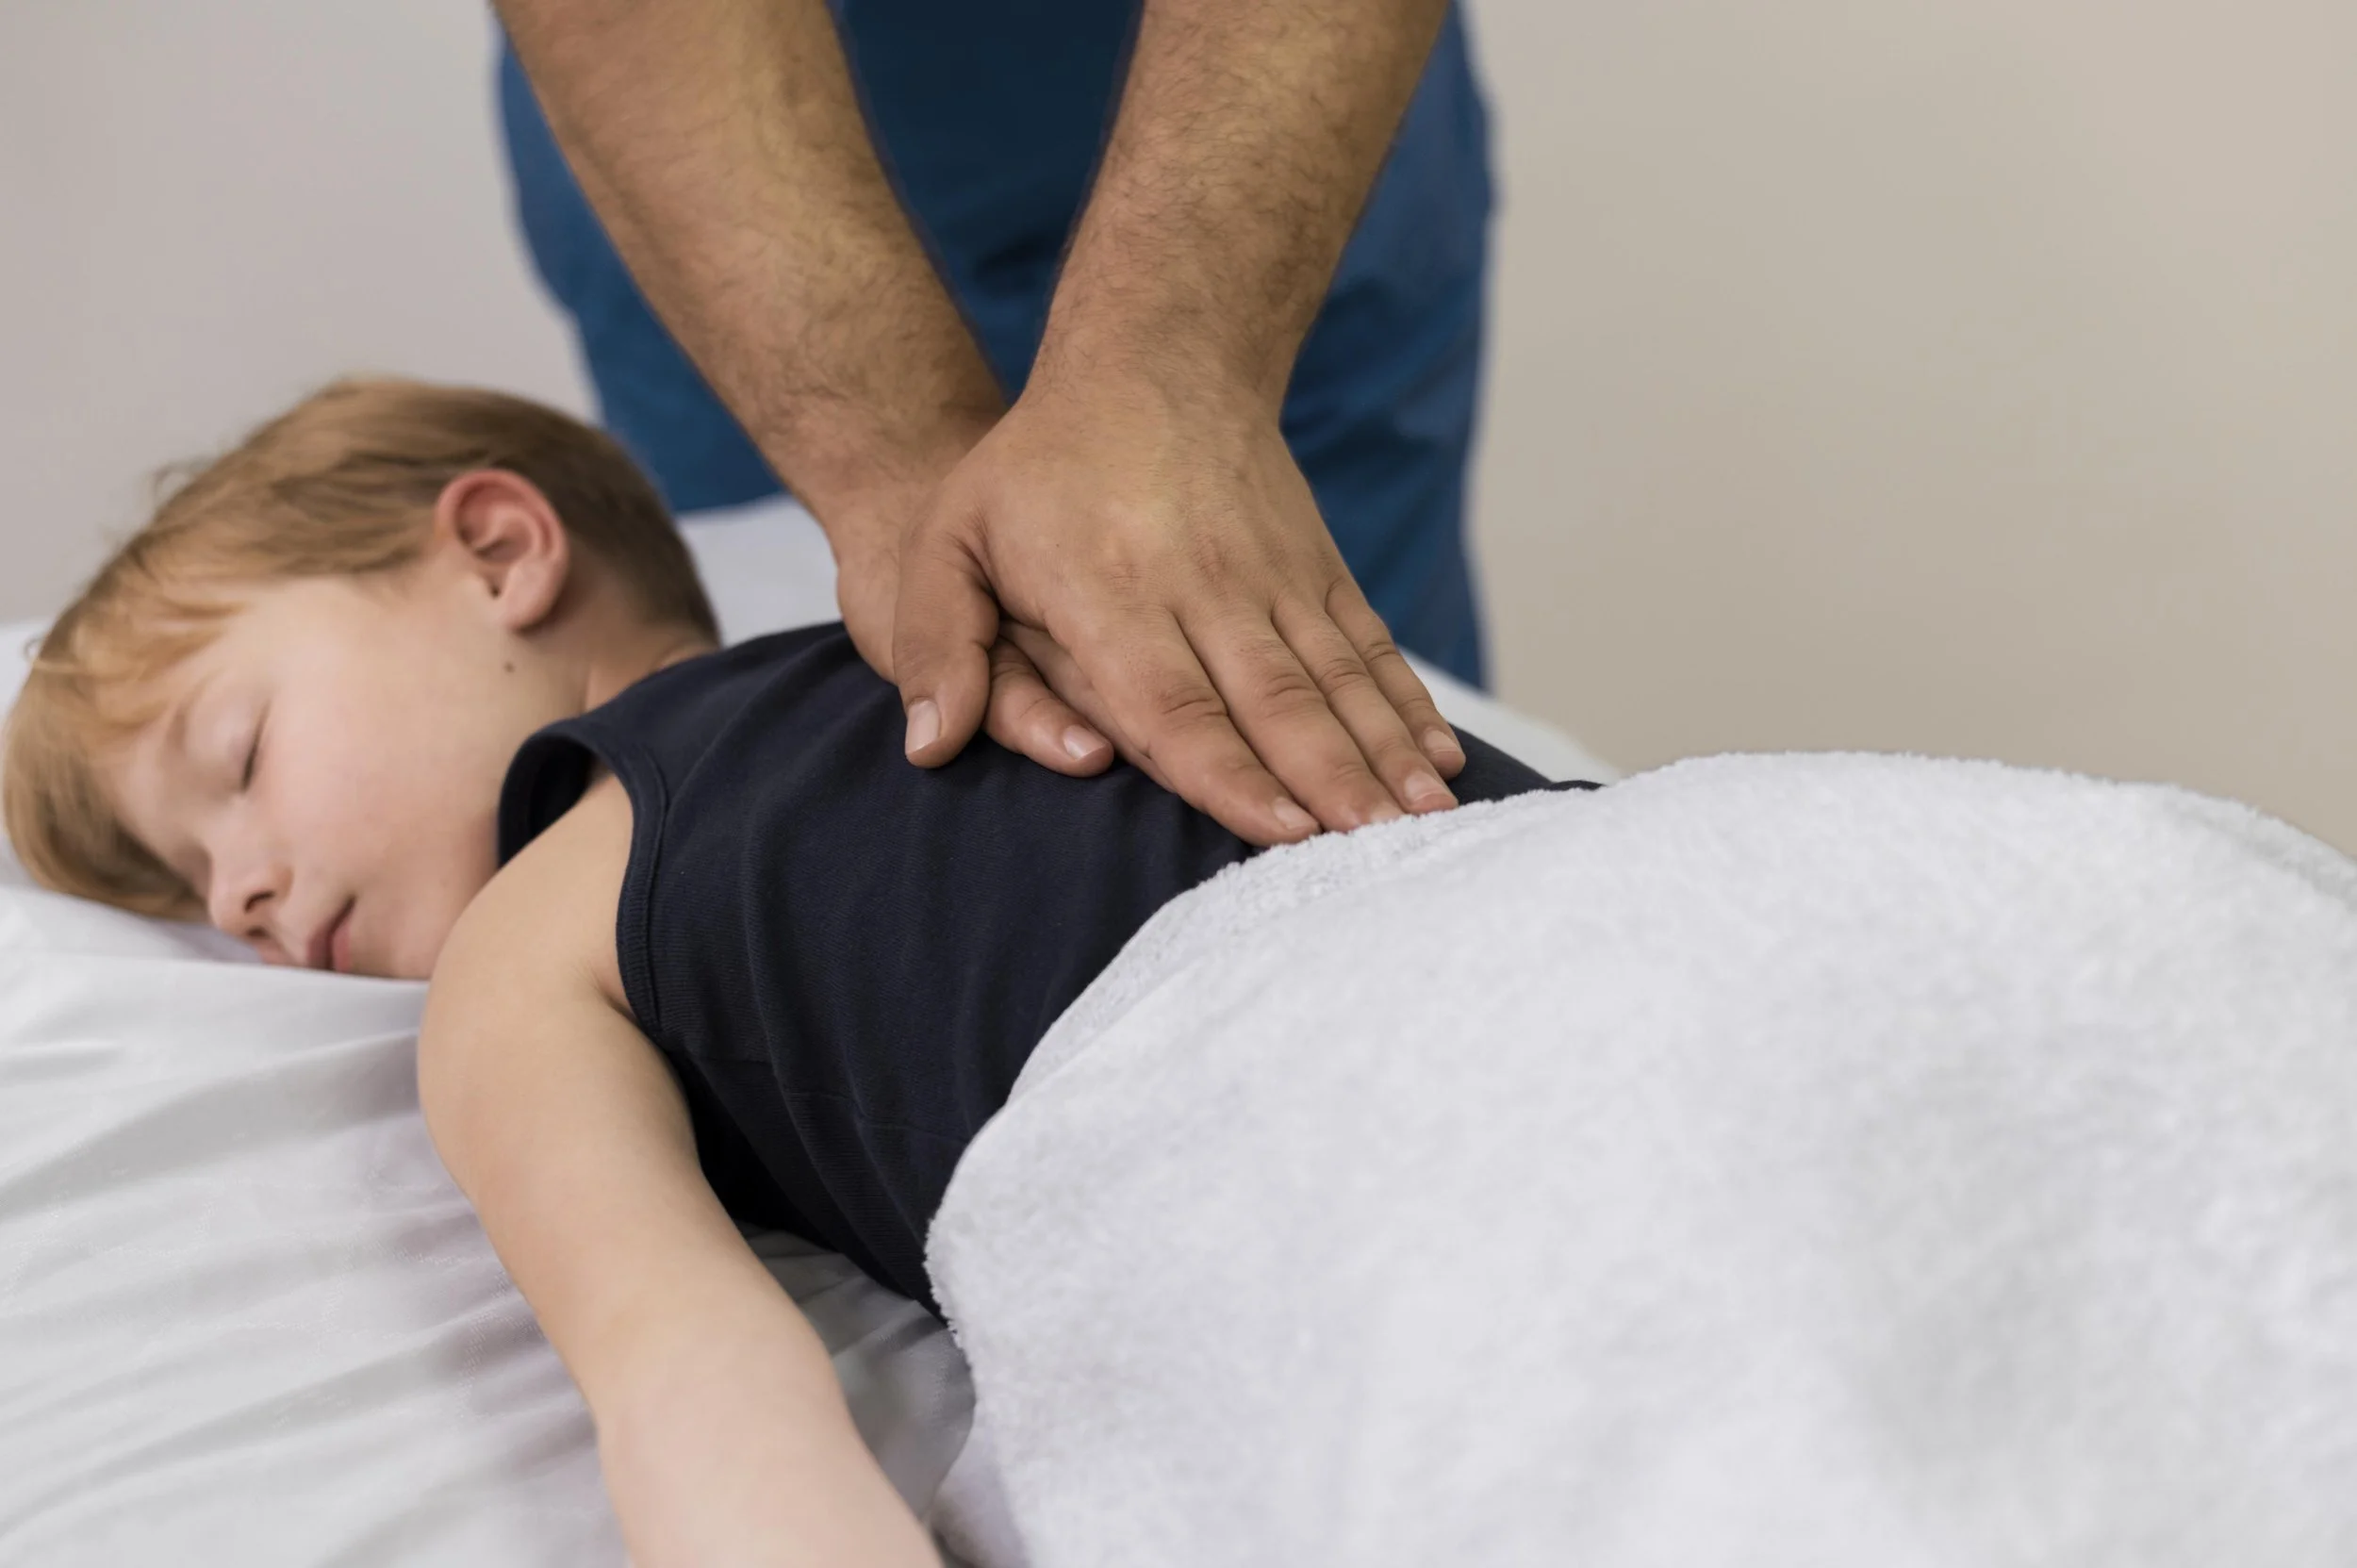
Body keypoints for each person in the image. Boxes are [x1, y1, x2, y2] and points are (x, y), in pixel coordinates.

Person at [1, 380, 1578, 1563]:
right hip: (1420, 1137)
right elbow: (683, 1365)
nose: (245, 891)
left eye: (238, 754)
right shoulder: (524, 971)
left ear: (495, 550)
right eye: (197, 888)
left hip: (1532, 905)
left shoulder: (1002, 600)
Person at [490, 0, 1496, 852]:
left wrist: (1175, 370)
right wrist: (887, 469)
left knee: (1323, 732)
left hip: (1254, 92)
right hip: (733, 150)